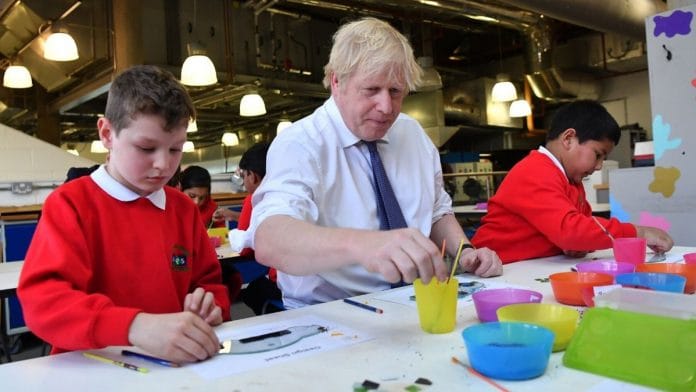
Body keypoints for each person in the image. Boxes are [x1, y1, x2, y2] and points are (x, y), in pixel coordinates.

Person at [248, 17, 502, 309]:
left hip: (411, 301)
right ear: (336, 81)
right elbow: (270, 239)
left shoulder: (413, 134)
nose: (386, 107)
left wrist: (465, 252)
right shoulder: (300, 144)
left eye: (396, 92)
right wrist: (363, 244)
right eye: (371, 90)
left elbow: (436, 212)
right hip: (330, 313)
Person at [17, 65, 230, 364]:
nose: (163, 165)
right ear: (107, 134)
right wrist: (134, 326)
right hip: (91, 369)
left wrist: (210, 304)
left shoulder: (182, 208)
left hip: (176, 367)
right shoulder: (71, 204)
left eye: (176, 149)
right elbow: (44, 303)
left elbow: (209, 282)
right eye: (146, 147)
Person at [472, 100, 674, 263]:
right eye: (597, 155)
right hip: (491, 271)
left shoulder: (571, 181)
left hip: (527, 269)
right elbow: (570, 231)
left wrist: (580, 245)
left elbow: (583, 228)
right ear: (568, 139)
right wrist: (638, 232)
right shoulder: (534, 171)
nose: (598, 166)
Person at [228, 143, 282, 315]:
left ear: (252, 176)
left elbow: (245, 250)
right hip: (325, 285)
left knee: (252, 290)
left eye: (244, 176)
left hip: (284, 285)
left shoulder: (255, 199)